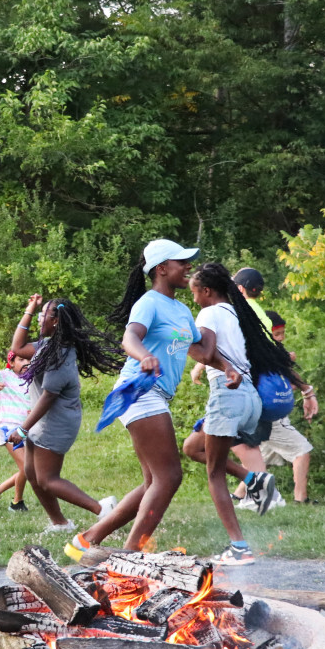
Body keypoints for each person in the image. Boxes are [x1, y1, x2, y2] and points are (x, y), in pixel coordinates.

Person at [67, 239, 238, 558]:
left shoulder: (182, 310)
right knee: (170, 476)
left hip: (156, 395)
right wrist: (144, 355)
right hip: (139, 390)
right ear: (162, 269)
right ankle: (131, 554)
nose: (188, 267)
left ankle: (85, 542)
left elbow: (200, 351)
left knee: (152, 483)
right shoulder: (150, 302)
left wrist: (226, 366)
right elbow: (130, 336)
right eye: (181, 262)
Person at [178, 263, 315, 566]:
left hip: (228, 396)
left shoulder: (210, 313)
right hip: (248, 398)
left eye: (195, 293)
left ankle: (239, 547)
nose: (194, 299)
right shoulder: (237, 313)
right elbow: (269, 355)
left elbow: (206, 351)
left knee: (214, 474)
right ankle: (255, 481)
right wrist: (305, 388)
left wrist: (180, 340)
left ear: (207, 291)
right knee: (192, 448)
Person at [6, 295, 120, 533]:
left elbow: (49, 396)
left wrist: (23, 428)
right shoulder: (48, 346)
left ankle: (103, 510)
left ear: (56, 321)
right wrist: (30, 309)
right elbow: (16, 348)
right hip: (41, 421)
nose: (39, 320)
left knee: (47, 479)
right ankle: (60, 523)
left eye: (43, 316)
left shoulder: (60, 355)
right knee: (32, 475)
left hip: (55, 423)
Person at [231, 310, 320, 506]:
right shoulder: (263, 354)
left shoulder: (264, 352)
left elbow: (282, 381)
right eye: (277, 334)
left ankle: (237, 495)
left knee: (262, 456)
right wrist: (303, 388)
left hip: (262, 414)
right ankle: (300, 499)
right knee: (301, 450)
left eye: (282, 333)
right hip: (271, 415)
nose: (281, 338)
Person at [0, 350, 34, 512]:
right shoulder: (4, 375)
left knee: (28, 468)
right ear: (12, 363)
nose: (26, 362)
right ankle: (16, 502)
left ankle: (1, 493)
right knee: (28, 467)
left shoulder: (34, 379)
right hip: (9, 428)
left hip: (29, 428)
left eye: (29, 359)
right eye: (21, 359)